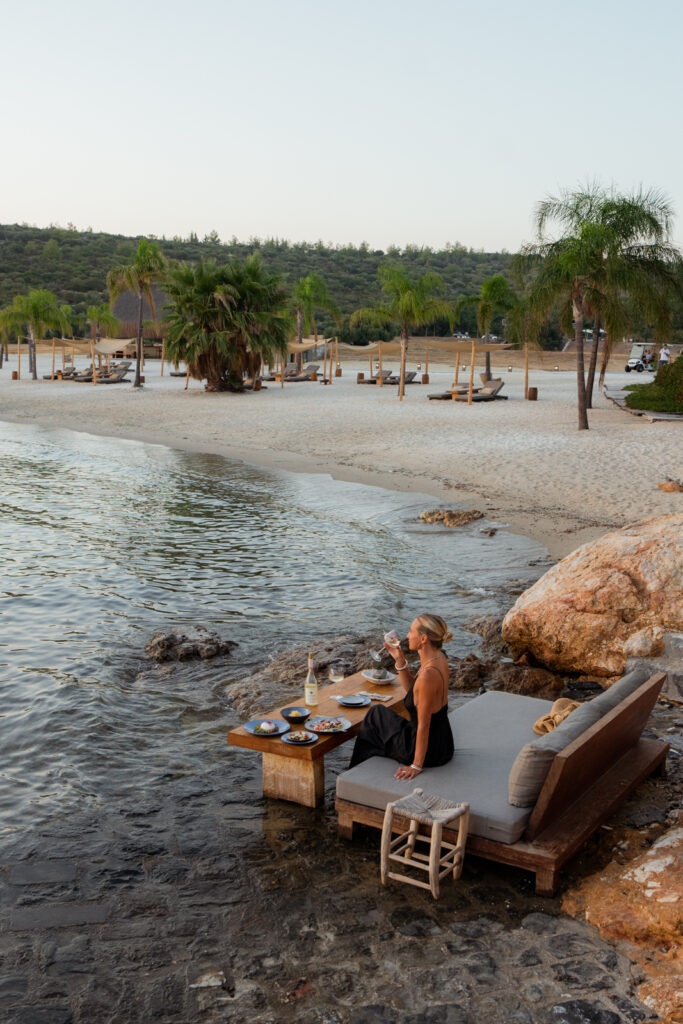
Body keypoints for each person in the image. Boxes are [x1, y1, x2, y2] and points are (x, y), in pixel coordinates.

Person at [349, 614, 454, 782]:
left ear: (423, 638)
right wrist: (399, 659)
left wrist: (416, 765)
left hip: (430, 751)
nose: (407, 636)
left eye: (411, 631)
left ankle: (355, 776)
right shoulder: (438, 658)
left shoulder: (428, 675)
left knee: (373, 717)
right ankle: (360, 767)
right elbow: (414, 691)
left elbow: (423, 726)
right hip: (444, 742)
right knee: (378, 714)